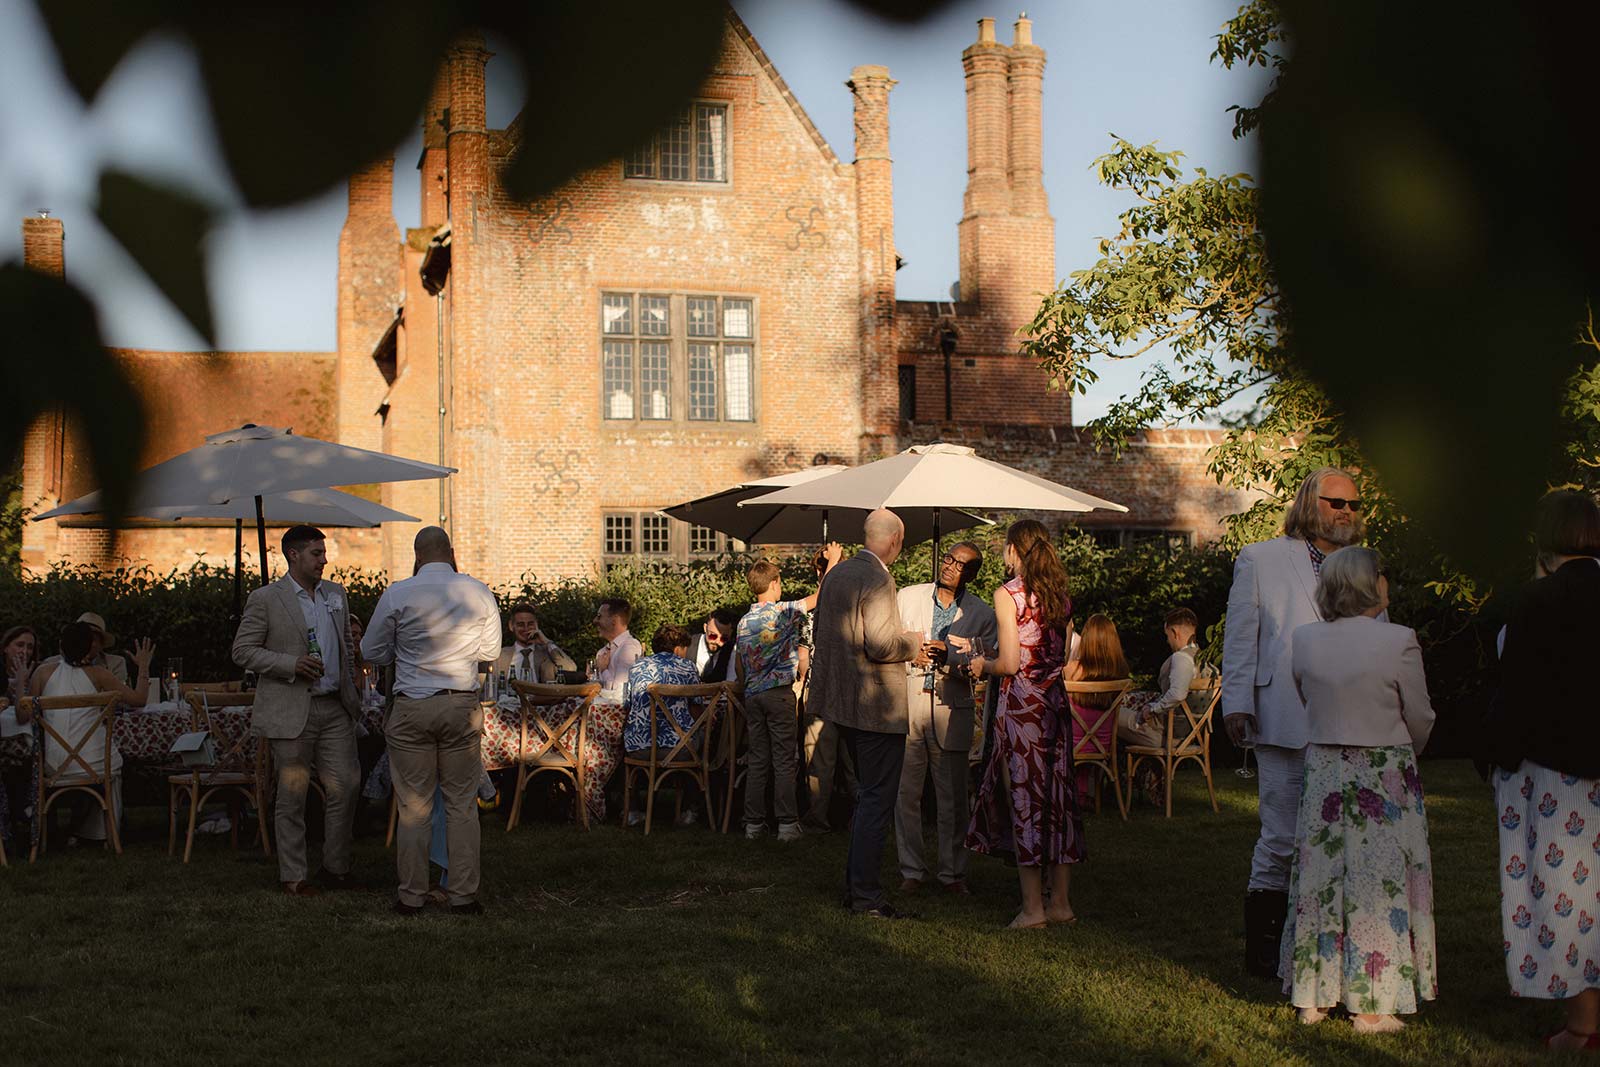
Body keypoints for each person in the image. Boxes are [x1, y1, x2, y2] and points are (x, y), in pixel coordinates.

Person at [1280, 545, 1436, 1033]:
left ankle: (1314, 995)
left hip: (1326, 768)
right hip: (1384, 769)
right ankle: (1372, 1006)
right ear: (1369, 584)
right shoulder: (1399, 640)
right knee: (1379, 880)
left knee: (1321, 877)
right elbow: (1420, 716)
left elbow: (1307, 698)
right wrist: (1407, 750)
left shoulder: (1304, 639)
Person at [1223, 466, 1369, 978]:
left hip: (1350, 722)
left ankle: (1327, 945)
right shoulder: (1261, 557)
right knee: (1281, 835)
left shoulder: (1362, 564)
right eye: (1336, 503)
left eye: (1353, 505)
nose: (1346, 512)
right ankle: (1264, 951)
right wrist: (1237, 701)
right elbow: (1241, 635)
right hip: (1283, 713)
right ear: (1310, 502)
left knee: (1342, 835)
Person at [1483, 491, 1600, 1051]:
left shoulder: (1533, 600)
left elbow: (1516, 688)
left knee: (1568, 892)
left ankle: (1583, 1026)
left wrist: (1498, 757)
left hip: (1556, 770)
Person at [361, 526, 501, 916]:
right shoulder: (478, 591)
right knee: (461, 804)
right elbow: (490, 651)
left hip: (412, 706)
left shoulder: (398, 593)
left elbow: (371, 649)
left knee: (413, 806)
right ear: (451, 552)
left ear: (417, 555)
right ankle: (463, 895)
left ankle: (411, 895)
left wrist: (402, 648)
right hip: (460, 705)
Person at [231, 525, 363, 897]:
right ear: (294, 555)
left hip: (335, 706)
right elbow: (242, 650)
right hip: (291, 707)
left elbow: (345, 642)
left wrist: (353, 680)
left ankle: (336, 868)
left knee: (346, 786)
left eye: (324, 553)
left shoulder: (336, 594)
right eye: (316, 553)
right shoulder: (265, 598)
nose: (324, 560)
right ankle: (294, 876)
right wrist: (291, 664)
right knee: (292, 793)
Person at [965, 519, 1082, 929]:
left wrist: (982, 664)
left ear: (1014, 549)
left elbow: (1011, 663)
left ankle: (1032, 908)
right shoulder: (1060, 595)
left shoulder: (1008, 594)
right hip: (1055, 707)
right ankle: (1061, 904)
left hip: (1022, 712)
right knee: (1058, 801)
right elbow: (1061, 656)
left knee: (1025, 802)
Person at [810, 509, 922, 917]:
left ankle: (856, 888)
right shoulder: (878, 578)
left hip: (843, 703)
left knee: (866, 797)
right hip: (876, 707)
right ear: (895, 540)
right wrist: (913, 642)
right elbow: (880, 644)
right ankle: (866, 896)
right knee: (877, 800)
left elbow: (822, 633)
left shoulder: (836, 575)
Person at [894, 541, 995, 894]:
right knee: (906, 795)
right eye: (949, 558)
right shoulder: (907, 597)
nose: (950, 566)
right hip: (908, 703)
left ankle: (952, 874)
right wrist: (912, 653)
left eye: (960, 564)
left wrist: (949, 656)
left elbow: (988, 663)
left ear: (972, 574)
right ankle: (911, 871)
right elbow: (888, 642)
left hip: (951, 709)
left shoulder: (982, 614)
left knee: (952, 798)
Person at [737, 545, 843, 842]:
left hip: (753, 696)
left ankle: (753, 825)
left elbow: (740, 663)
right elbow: (820, 597)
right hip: (779, 694)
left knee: (758, 760)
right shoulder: (783, 611)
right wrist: (833, 561)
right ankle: (786, 825)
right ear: (774, 583)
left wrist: (747, 688)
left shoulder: (744, 621)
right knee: (784, 760)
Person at [26, 622, 155, 843]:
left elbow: (25, 713)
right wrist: (143, 666)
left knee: (104, 758)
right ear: (90, 648)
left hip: (53, 766)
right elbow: (140, 700)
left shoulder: (42, 673)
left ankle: (78, 829)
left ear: (61, 646)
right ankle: (103, 832)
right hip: (94, 765)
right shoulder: (100, 674)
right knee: (114, 763)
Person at [622, 624, 706, 828]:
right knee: (704, 737)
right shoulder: (688, 667)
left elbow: (628, 707)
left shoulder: (637, 667)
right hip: (678, 750)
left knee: (627, 738)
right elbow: (697, 710)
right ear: (678, 648)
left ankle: (633, 811)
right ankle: (690, 810)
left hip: (639, 748)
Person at [1062, 613, 1129, 806]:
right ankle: (1090, 794)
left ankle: (1073, 794)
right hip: (1104, 743)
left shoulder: (1071, 669)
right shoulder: (1120, 672)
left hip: (1072, 742)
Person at [38, 611, 128, 687]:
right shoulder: (49, 664)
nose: (85, 643)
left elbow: (120, 697)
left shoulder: (115, 663)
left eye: (91, 639)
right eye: (81, 638)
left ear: (101, 645)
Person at [495, 603, 577, 683]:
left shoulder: (547, 654)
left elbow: (570, 668)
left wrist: (547, 642)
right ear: (511, 626)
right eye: (521, 625)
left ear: (536, 625)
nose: (526, 628)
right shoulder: (500, 656)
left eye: (530, 624)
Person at [592, 598, 643, 703]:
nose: (595, 621)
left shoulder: (629, 647)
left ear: (614, 620)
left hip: (615, 711)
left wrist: (603, 670)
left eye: (599, 616)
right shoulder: (602, 652)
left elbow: (621, 694)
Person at [691, 608, 740, 684]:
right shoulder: (689, 644)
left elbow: (730, 682)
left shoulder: (732, 650)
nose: (717, 642)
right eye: (713, 636)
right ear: (705, 628)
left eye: (724, 638)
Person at [3, 625, 39, 703]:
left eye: (30, 647)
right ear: (6, 648)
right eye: (20, 645)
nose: (25, 651)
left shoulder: (38, 673)